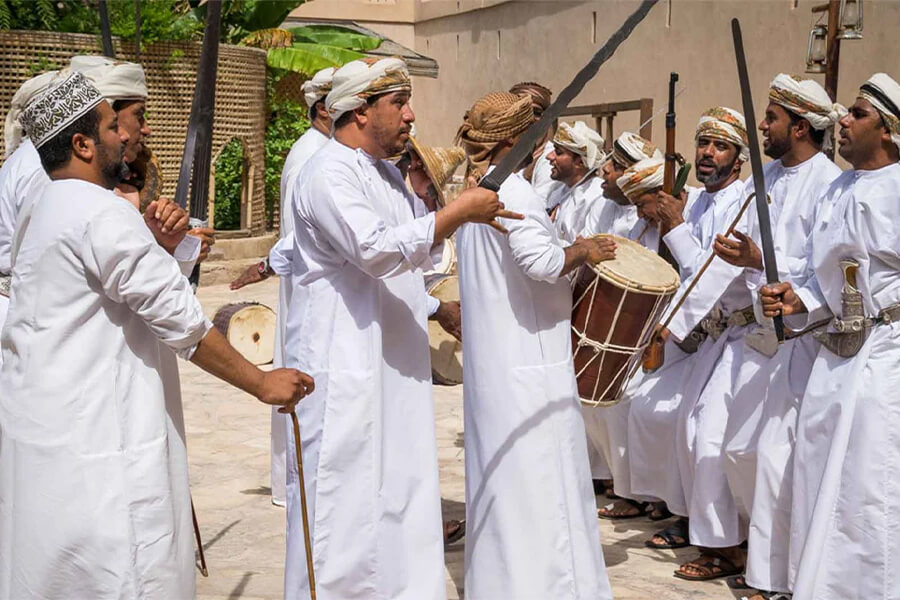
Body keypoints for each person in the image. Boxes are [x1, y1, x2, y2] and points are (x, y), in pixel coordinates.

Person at [0, 71, 314, 600]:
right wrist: (262, 384)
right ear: (81, 144)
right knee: (125, 572)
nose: (125, 135)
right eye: (110, 127)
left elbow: (112, 299)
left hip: (52, 441)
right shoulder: (100, 212)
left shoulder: (43, 207)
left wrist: (162, 248)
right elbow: (182, 323)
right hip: (103, 442)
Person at [282, 58, 516, 600]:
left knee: (401, 494)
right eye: (399, 104)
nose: (411, 115)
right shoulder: (328, 172)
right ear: (361, 111)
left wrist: (438, 211)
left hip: (393, 367)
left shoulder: (384, 174)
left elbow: (421, 256)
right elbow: (376, 251)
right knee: (343, 507)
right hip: (345, 368)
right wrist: (456, 212)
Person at [456, 90, 615, 600]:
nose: (546, 142)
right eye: (538, 130)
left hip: (498, 363)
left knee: (505, 479)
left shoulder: (474, 190)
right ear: (514, 139)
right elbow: (542, 265)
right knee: (541, 481)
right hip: (529, 362)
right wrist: (585, 249)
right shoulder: (515, 194)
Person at [760, 73, 900, 600]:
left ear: (887, 131)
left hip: (888, 356)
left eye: (857, 114)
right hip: (834, 354)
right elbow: (820, 274)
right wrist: (797, 298)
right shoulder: (838, 188)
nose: (842, 120)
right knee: (817, 469)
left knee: (871, 482)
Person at [712, 74, 842, 599]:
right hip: (757, 337)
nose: (762, 126)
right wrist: (745, 260)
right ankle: (762, 558)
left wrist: (765, 260)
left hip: (805, 342)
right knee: (739, 452)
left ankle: (777, 579)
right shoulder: (761, 177)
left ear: (801, 126)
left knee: (776, 461)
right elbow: (744, 247)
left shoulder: (829, 183)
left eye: (771, 118)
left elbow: (824, 269)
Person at [649, 107, 753, 581]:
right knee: (689, 429)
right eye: (703, 144)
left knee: (710, 435)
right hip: (710, 337)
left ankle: (728, 547)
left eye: (720, 146)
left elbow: (714, 276)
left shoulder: (741, 202)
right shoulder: (697, 200)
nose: (707, 154)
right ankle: (704, 530)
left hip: (745, 334)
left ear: (738, 158)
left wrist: (675, 225)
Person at [229, 66, 336, 507]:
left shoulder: (320, 151)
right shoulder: (312, 157)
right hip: (310, 293)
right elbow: (299, 242)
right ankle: (296, 485)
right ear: (327, 109)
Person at [546, 120, 614, 242]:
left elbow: (585, 250)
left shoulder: (599, 197)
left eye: (558, 152)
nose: (549, 156)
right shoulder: (556, 191)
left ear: (580, 162)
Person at [582, 131, 657, 239]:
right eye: (610, 160)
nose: (605, 168)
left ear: (632, 179)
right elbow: (586, 244)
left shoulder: (645, 216)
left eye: (616, 166)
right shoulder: (601, 204)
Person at [510, 81, 567, 210]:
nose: (529, 118)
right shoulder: (506, 153)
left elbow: (535, 207)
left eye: (536, 112)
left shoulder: (549, 159)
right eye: (523, 111)